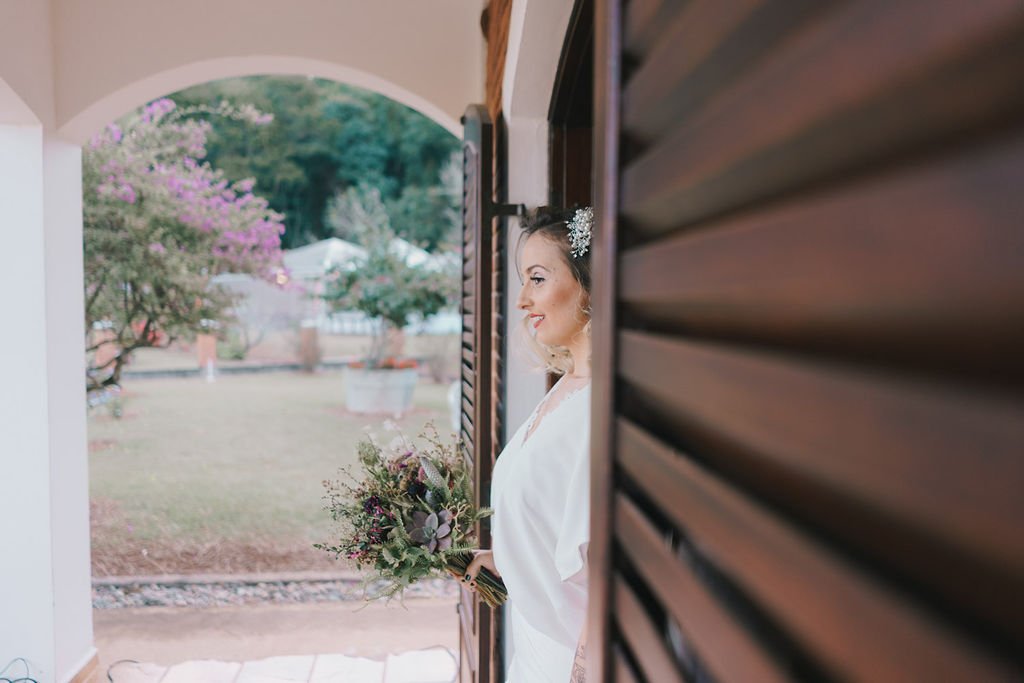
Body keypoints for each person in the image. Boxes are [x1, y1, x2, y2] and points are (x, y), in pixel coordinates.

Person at [464, 206, 594, 683]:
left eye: (537, 279)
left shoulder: (604, 408)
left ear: (591, 283)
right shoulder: (566, 387)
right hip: (533, 652)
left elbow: (609, 572)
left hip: (572, 663)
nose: (522, 300)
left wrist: (583, 674)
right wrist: (503, 560)